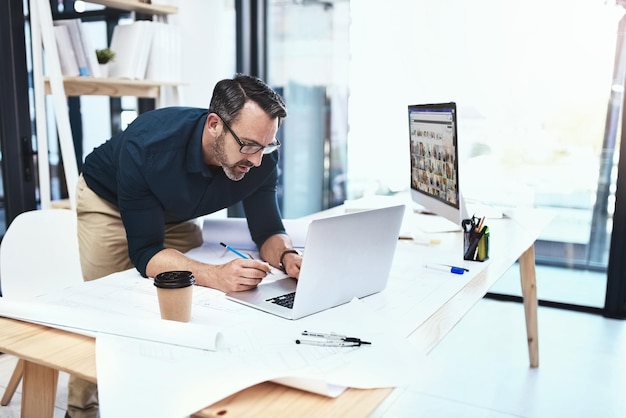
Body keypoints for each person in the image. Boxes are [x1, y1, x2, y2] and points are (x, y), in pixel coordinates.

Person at [66, 73, 303, 418]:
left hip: (174, 212)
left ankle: (175, 395)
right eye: (250, 145)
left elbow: (267, 228)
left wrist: (287, 255)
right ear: (214, 125)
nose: (256, 160)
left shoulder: (259, 158)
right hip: (111, 204)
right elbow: (145, 253)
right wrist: (215, 274)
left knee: (192, 304)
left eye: (267, 145)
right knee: (109, 309)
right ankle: (79, 408)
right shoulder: (148, 146)